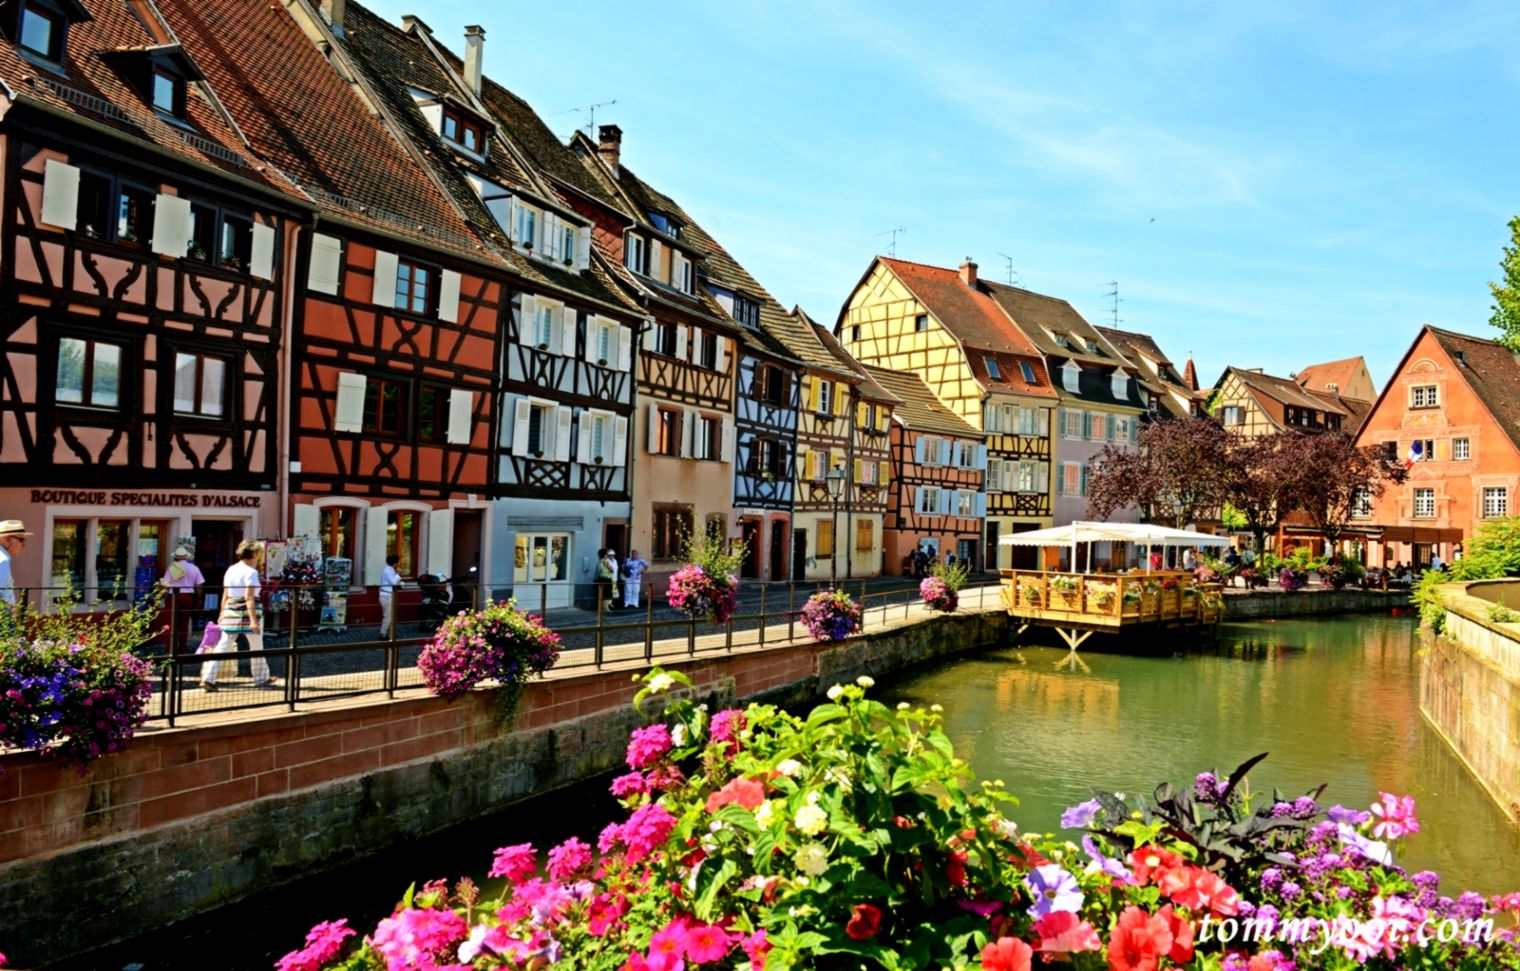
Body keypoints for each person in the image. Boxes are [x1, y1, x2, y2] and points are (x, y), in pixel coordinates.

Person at [200, 540, 276, 691]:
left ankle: (209, 677)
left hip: (231, 608)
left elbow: (226, 593)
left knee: (224, 644)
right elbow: (249, 597)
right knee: (256, 646)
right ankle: (261, 678)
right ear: (254, 554)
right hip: (248, 611)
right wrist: (254, 620)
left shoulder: (231, 569)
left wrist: (222, 612)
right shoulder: (251, 572)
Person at [160, 545, 206, 653]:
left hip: (174, 596)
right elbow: (199, 585)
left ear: (175, 557)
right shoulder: (194, 568)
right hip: (188, 596)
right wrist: (199, 599)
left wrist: (161, 594)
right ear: (186, 557)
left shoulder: (172, 568)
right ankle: (183, 646)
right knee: (184, 623)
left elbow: (164, 584)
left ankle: (170, 647)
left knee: (171, 622)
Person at [0, 519, 32, 606]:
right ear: (6, 540)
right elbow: (4, 598)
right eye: (21, 540)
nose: (24, 545)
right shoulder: (3, 560)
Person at [379, 554, 403, 636]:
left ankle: (389, 634)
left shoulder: (390, 569)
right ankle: (383, 634)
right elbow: (393, 582)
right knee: (388, 617)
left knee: (390, 617)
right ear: (395, 563)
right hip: (386, 596)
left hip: (388, 595)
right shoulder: (387, 571)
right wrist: (397, 574)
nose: (399, 564)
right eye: (398, 562)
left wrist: (396, 574)